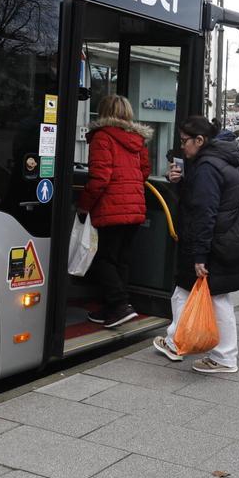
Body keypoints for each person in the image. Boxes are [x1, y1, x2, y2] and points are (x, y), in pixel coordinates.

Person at [152, 117, 239, 374]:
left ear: (200, 140)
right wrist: (180, 182)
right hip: (224, 239)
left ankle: (225, 357)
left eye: (185, 141)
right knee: (186, 293)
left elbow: (204, 213)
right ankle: (176, 342)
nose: (182, 146)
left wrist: (200, 255)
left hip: (213, 243)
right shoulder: (222, 160)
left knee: (215, 298)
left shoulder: (208, 166)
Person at [77, 95, 152, 328]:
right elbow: (144, 172)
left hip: (111, 209)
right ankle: (113, 308)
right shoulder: (138, 140)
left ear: (103, 111)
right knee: (121, 260)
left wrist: (83, 205)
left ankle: (120, 305)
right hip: (135, 209)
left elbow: (99, 178)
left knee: (103, 259)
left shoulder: (102, 136)